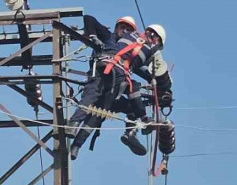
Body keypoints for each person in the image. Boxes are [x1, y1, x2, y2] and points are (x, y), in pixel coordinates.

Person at [68, 20, 168, 160]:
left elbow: (146, 69)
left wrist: (156, 82)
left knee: (99, 113)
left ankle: (76, 144)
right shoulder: (111, 38)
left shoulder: (137, 45)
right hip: (110, 73)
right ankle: (143, 119)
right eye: (123, 27)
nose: (126, 30)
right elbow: (89, 19)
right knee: (95, 97)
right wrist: (93, 36)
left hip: (115, 80)